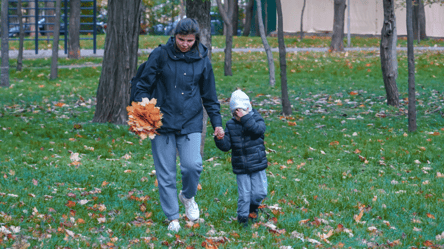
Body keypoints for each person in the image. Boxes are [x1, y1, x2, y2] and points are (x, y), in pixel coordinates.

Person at [133, 18, 225, 232]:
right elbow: (142, 85)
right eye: (181, 39)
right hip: (161, 120)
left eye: (189, 40)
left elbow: (209, 96)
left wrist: (217, 123)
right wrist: (144, 104)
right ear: (174, 36)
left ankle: (188, 196)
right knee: (165, 172)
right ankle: (173, 217)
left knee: (193, 166)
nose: (184, 44)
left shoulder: (203, 58)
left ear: (196, 39)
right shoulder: (160, 54)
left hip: (191, 120)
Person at [214, 89, 268, 227]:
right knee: (244, 196)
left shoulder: (256, 118)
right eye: (236, 113)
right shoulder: (231, 125)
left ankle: (253, 208)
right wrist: (220, 138)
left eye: (241, 112)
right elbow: (226, 146)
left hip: (257, 163)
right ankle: (243, 219)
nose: (239, 116)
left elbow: (257, 131)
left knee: (260, 192)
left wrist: (245, 118)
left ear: (248, 107)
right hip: (241, 166)